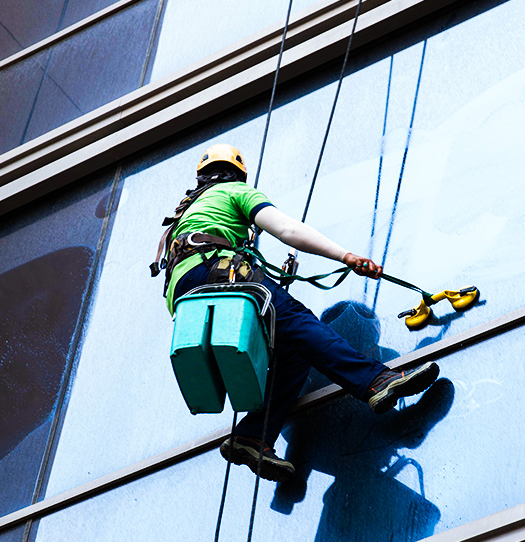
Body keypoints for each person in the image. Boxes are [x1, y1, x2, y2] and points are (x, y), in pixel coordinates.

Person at [156, 143, 440, 481]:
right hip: (218, 273)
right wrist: (345, 256)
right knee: (299, 320)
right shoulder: (236, 191)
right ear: (238, 174)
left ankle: (252, 436)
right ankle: (376, 380)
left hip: (186, 294)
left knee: (292, 352)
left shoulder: (181, 214)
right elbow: (288, 231)